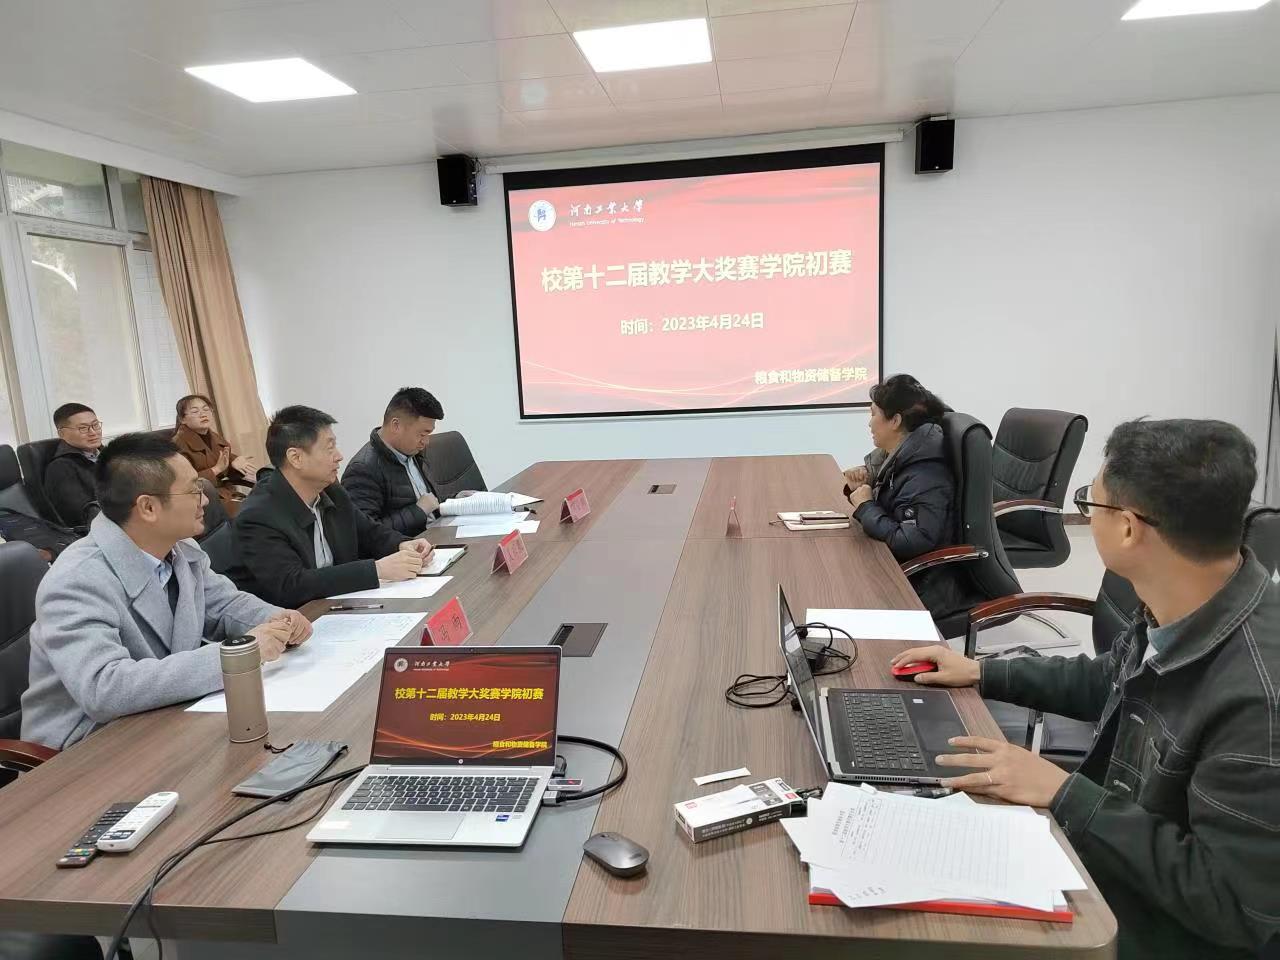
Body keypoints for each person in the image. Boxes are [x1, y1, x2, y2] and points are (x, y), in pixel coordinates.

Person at [892, 419, 1278, 960]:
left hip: (1146, 929)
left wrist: (1064, 793)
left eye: (1089, 503)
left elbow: (1236, 907)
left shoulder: (1259, 701)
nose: (1087, 516)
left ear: (1128, 529)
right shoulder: (1187, 598)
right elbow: (1109, 679)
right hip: (1112, 864)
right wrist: (981, 671)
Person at [20, 433, 312, 752]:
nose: (205, 500)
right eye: (194, 490)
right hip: (86, 746)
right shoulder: (76, 580)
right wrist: (239, 655)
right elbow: (104, 688)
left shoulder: (180, 548)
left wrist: (277, 619)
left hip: (163, 716)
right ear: (148, 507)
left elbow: (224, 605)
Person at [229, 405, 433, 608]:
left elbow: (370, 533)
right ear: (296, 458)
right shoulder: (258, 515)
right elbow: (290, 586)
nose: (339, 456)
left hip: (339, 606)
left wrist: (402, 544)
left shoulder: (331, 491)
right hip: (296, 619)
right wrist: (377, 570)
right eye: (329, 448)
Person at [842, 375, 964, 618]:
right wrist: (864, 485)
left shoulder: (925, 474)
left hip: (919, 585)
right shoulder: (903, 456)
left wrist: (866, 505)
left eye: (873, 414)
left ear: (895, 421)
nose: (869, 423)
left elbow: (911, 541)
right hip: (896, 567)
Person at [342, 387, 443, 535]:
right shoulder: (363, 469)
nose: (426, 441)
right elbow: (365, 534)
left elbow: (429, 501)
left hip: (436, 533)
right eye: (422, 434)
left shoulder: (412, 451)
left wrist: (457, 502)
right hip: (411, 545)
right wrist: (418, 511)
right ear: (396, 425)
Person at [173, 393, 258, 510]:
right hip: (202, 502)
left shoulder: (213, 436)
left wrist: (234, 462)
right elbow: (183, 483)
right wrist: (216, 469)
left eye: (206, 409)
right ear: (182, 419)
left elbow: (224, 459)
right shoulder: (177, 445)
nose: (203, 414)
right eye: (195, 411)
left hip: (226, 494)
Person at [43, 402, 104, 527]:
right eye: (83, 428)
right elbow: (82, 514)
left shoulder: (112, 455)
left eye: (95, 425)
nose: (93, 432)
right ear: (62, 434)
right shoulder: (60, 468)